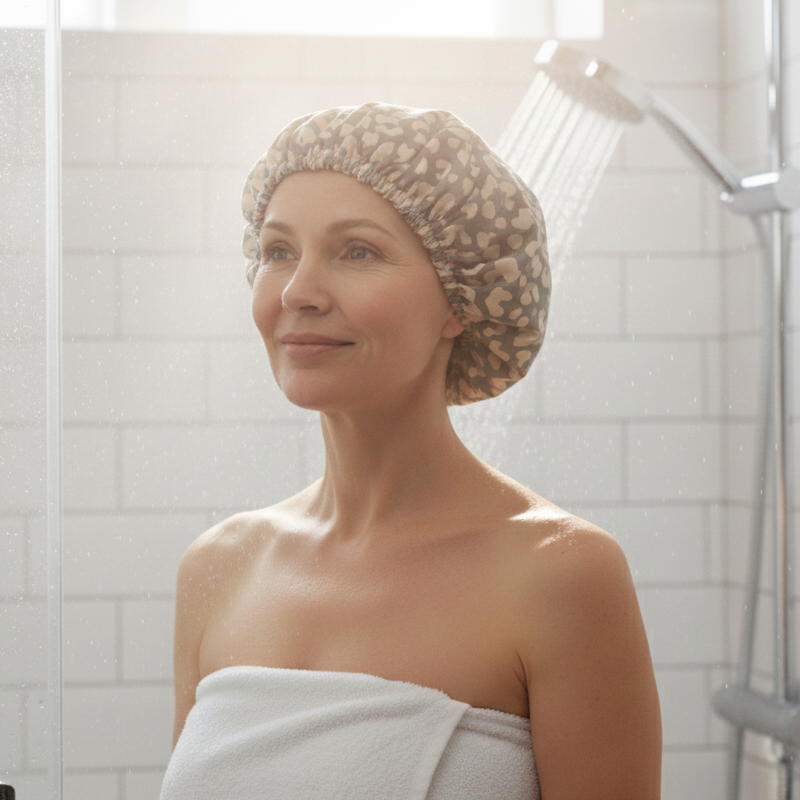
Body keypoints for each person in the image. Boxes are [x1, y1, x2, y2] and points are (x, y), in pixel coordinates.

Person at [160, 102, 662, 800]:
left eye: (356, 251)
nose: (298, 291)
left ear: (461, 296)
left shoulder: (561, 575)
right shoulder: (218, 566)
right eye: (278, 251)